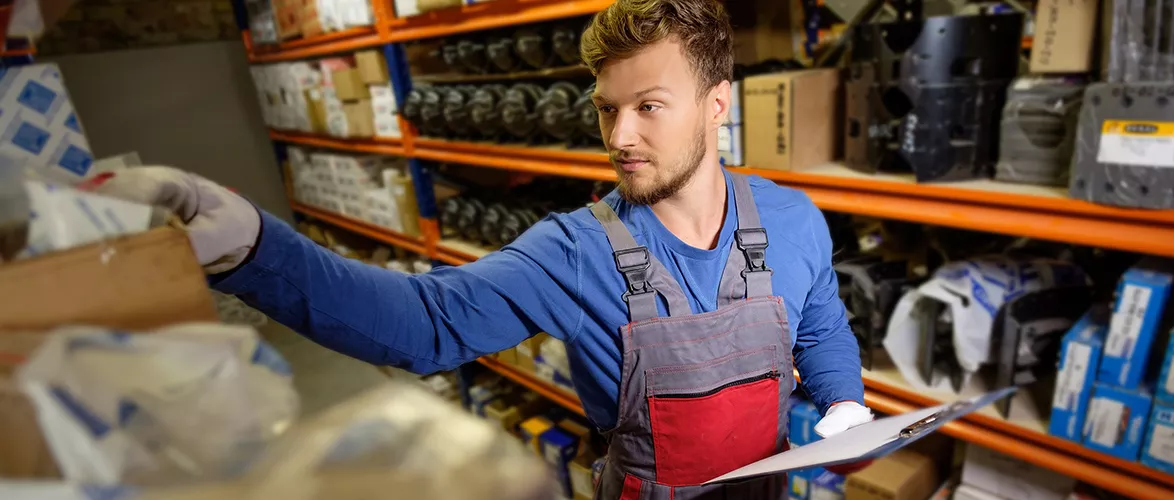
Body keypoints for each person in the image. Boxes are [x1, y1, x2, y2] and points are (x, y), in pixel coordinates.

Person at [91, 0, 875, 497]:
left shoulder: (792, 218)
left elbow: (819, 326)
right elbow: (421, 324)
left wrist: (842, 402)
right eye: (606, 110)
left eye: (648, 106)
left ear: (715, 106)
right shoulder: (576, 251)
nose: (618, 137)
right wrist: (253, 245)